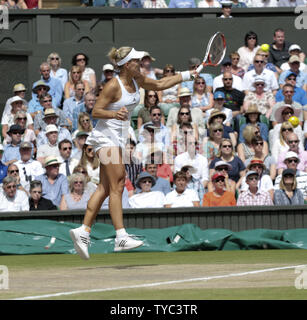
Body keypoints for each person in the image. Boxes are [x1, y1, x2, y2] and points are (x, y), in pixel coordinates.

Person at [69, 45, 197, 258]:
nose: (141, 62)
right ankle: (121, 236)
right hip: (105, 138)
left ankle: (83, 231)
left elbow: (160, 83)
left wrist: (186, 75)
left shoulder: (137, 79)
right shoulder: (112, 85)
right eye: (136, 60)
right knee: (119, 182)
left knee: (104, 187)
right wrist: (114, 114)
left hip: (117, 139)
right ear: (127, 65)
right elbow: (96, 111)